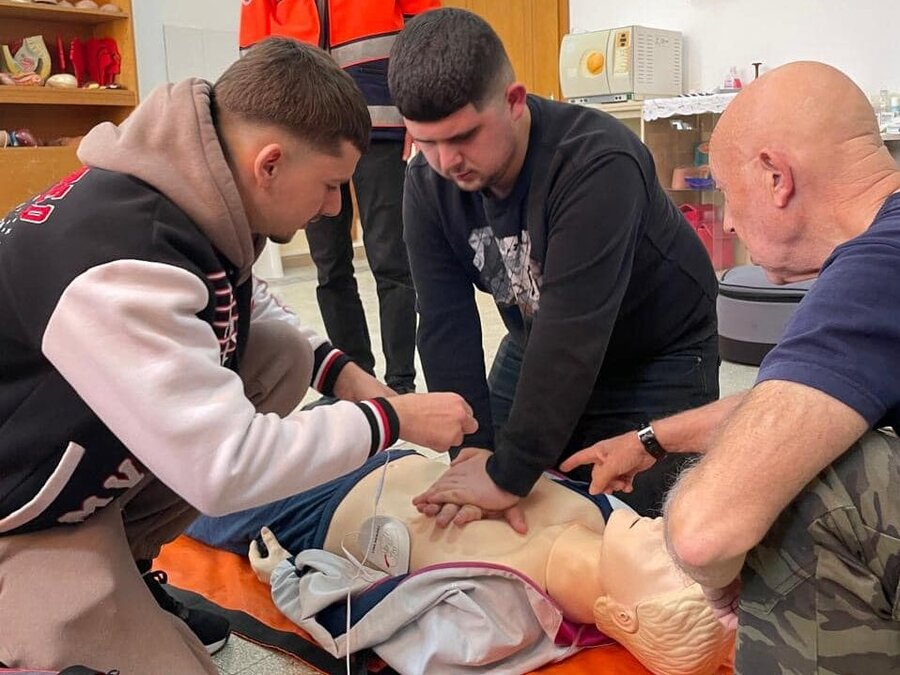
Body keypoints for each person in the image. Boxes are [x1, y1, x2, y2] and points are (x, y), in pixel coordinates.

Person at [0, 38, 477, 674]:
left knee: (280, 352)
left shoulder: (178, 188)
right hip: (19, 521)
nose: (335, 208)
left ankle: (128, 559)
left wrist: (352, 381)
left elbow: (249, 307)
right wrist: (393, 421)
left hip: (55, 473)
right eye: (331, 185)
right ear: (269, 164)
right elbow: (226, 470)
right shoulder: (120, 265)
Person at [562, 61, 900, 673]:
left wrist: (719, 578)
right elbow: (810, 406)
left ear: (775, 176)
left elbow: (706, 531)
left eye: (725, 192)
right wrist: (651, 439)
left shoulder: (878, 268)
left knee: (795, 490)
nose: (730, 222)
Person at [386, 8, 720, 528]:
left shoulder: (597, 162)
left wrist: (508, 476)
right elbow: (446, 322)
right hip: (537, 340)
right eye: (426, 142)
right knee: (491, 506)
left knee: (636, 529)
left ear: (514, 101)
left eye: (463, 137)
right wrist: (471, 448)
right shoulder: (428, 183)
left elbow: (573, 335)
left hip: (654, 353)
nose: (446, 162)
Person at [188, 451, 734, 675]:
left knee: (174, 488)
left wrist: (285, 576)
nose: (672, 539)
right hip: (389, 454)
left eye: (669, 565)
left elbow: (357, 624)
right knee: (249, 414)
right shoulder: (610, 511)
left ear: (625, 614)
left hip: (309, 514)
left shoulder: (496, 622)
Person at [239, 0, 439, 395]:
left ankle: (400, 385)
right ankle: (355, 383)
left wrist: (420, 108)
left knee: (391, 260)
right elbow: (254, 53)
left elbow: (426, 28)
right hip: (303, 126)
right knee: (329, 265)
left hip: (381, 115)